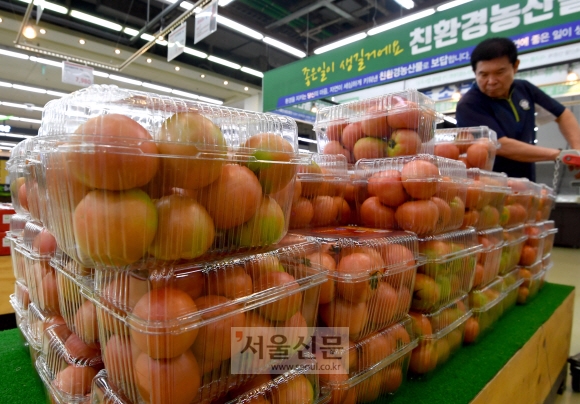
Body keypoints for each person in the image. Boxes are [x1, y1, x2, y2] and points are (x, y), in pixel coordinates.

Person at [456, 37, 580, 181]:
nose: (491, 81)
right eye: (483, 74)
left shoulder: (524, 89)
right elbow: (501, 145)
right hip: (489, 186)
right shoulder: (470, 104)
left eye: (499, 72)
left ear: (515, 66)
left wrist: (577, 151)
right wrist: (558, 155)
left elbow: (563, 114)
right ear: (475, 72)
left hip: (526, 182)